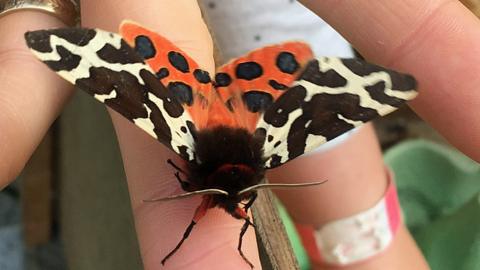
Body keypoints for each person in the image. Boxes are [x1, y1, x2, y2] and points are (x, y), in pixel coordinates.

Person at [0, 0, 478, 269]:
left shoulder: (231, 164)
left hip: (208, 93)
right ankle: (356, 240)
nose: (237, 209)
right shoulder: (255, 160)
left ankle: (354, 239)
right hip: (244, 98)